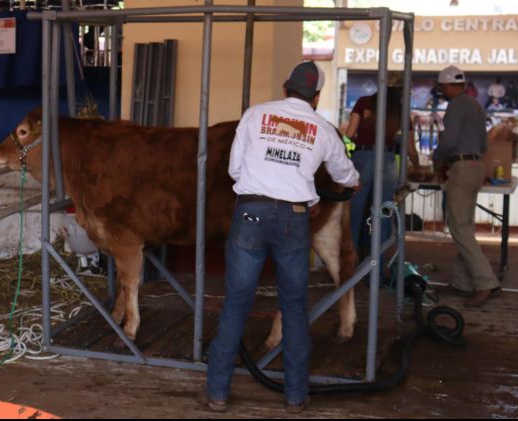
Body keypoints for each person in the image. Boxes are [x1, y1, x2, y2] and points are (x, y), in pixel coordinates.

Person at [199, 61, 360, 413]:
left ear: (286, 89)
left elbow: (234, 170)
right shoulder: (322, 127)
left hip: (249, 215)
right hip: (294, 219)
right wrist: (324, 191)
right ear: (316, 97)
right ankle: (295, 395)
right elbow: (346, 175)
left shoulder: (255, 115)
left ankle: (217, 394)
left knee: (236, 304)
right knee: (294, 307)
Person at [433, 65, 501, 308]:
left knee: (458, 227)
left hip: (461, 167)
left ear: (449, 86)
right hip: (476, 166)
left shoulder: (455, 105)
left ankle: (485, 282)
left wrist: (436, 155)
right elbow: (483, 145)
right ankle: (462, 282)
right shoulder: (476, 106)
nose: (442, 91)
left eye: (443, 87)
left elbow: (449, 141)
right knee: (465, 226)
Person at [346, 72, 420, 267]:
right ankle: (375, 268)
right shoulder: (402, 111)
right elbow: (411, 149)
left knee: (354, 214)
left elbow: (349, 133)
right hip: (387, 163)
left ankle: (348, 267)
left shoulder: (363, 102)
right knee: (381, 215)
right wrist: (418, 165)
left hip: (361, 160)